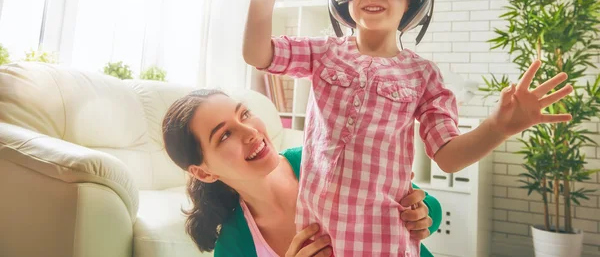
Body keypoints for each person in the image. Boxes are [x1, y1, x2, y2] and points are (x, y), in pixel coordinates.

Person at [238, 0, 574, 255]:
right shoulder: (323, 52)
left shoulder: (423, 76)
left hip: (384, 239)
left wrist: (498, 127)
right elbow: (256, 53)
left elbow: (449, 157)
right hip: (317, 239)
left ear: (411, 2)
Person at [162, 89, 442, 257]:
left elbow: (431, 208)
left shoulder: (325, 158)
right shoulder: (234, 243)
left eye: (244, 114)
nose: (250, 132)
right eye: (224, 136)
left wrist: (420, 213)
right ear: (204, 172)